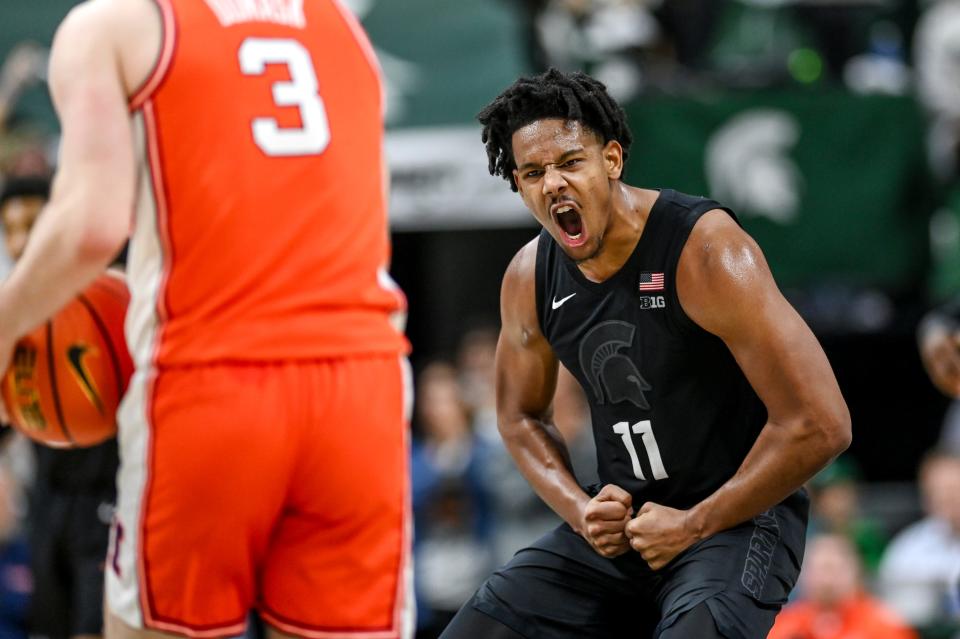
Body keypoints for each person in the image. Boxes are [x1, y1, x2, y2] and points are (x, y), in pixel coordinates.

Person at [0, 0, 411, 638]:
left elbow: (92, 225)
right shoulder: (344, 26)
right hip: (363, 385)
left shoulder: (111, 26)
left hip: (212, 380)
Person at [440, 68, 851, 639]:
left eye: (570, 162)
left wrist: (695, 522)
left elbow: (821, 423)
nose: (553, 183)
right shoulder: (529, 277)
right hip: (630, 524)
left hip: (738, 518)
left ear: (611, 159)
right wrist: (580, 511)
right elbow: (518, 416)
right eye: (533, 173)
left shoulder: (705, 251)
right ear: (518, 185)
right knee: (480, 627)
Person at [0, 174, 120, 639]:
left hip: (110, 497)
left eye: (32, 222)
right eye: (9, 227)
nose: (19, 239)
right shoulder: (16, 315)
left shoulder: (107, 294)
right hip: (48, 503)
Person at [768, 533, 917, 639]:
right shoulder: (783, 624)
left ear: (855, 572)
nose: (826, 579)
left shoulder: (883, 622)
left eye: (833, 568)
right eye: (818, 569)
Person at [877, 448, 960, 629]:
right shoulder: (907, 549)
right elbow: (890, 615)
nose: (949, 498)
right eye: (939, 491)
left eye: (954, 488)